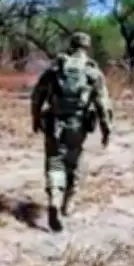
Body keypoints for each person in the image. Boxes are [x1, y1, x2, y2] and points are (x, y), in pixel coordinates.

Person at [31, 31, 113, 232]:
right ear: (86, 47)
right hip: (78, 126)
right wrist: (106, 129)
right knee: (74, 162)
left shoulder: (56, 68)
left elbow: (37, 96)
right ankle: (68, 203)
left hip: (54, 124)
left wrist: (35, 118)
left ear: (71, 45)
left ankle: (55, 201)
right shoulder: (92, 72)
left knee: (55, 162)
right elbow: (103, 104)